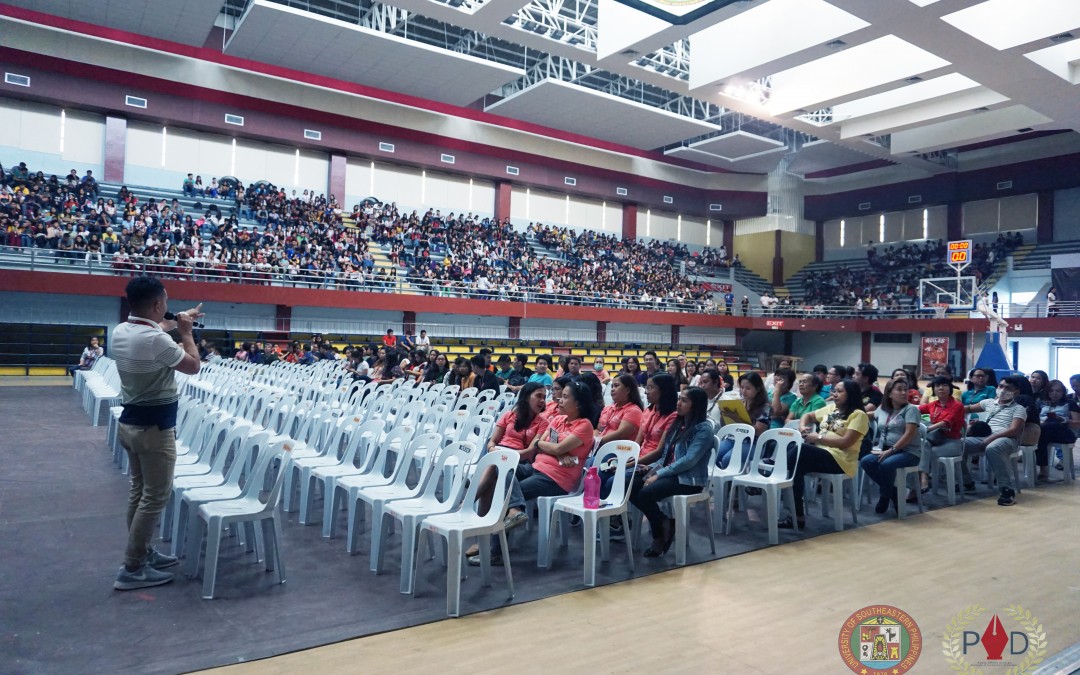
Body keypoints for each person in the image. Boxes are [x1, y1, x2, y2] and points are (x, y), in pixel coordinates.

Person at [111, 276, 202, 590]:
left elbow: (156, 331)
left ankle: (143, 552)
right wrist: (187, 333)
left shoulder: (121, 330)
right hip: (155, 429)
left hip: (131, 424)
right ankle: (132, 567)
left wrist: (178, 322)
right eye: (165, 301)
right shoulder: (155, 340)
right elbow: (192, 366)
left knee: (140, 492)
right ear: (157, 304)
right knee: (155, 497)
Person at [480, 380, 597, 565]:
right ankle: (515, 510)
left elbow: (549, 446)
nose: (559, 399)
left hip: (556, 479)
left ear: (578, 404)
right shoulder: (558, 419)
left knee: (503, 491)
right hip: (535, 468)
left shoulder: (585, 426)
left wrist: (557, 450)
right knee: (501, 465)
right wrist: (557, 451)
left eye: (565, 397)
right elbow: (537, 445)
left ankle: (495, 551)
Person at [630, 387, 714, 557]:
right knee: (630, 484)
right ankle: (664, 522)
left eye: (684, 400)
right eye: (679, 399)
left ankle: (659, 535)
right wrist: (652, 469)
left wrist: (658, 475)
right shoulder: (679, 424)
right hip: (673, 474)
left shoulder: (703, 429)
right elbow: (667, 455)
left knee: (646, 493)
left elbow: (689, 460)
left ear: (695, 405)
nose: (678, 403)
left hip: (689, 480)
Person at [789, 380, 870, 529]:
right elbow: (807, 416)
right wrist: (802, 426)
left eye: (840, 391)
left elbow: (846, 442)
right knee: (795, 469)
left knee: (800, 451)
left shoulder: (859, 415)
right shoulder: (831, 408)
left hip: (840, 460)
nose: (834, 394)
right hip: (821, 454)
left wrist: (818, 438)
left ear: (851, 394)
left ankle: (773, 468)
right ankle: (797, 516)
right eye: (834, 391)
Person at [961, 375, 1029, 506]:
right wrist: (952, 409)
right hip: (985, 436)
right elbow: (968, 408)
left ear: (1016, 392)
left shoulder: (1018, 408)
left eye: (1008, 388)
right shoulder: (989, 402)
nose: (1003, 390)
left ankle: (1007, 490)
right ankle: (966, 483)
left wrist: (991, 438)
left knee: (992, 448)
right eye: (1001, 386)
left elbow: (1014, 430)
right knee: (958, 445)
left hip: (1007, 439)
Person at [859, 379, 920, 513]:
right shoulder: (883, 408)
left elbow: (909, 435)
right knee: (866, 461)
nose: (904, 393)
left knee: (886, 464)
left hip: (908, 452)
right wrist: (855, 415)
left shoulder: (911, 410)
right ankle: (894, 493)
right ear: (890, 393)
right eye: (899, 389)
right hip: (886, 450)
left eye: (906, 389)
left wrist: (891, 451)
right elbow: (871, 415)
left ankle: (884, 496)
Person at [916, 375, 965, 493]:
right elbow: (917, 409)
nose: (941, 388)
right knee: (922, 447)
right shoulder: (933, 405)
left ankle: (922, 480)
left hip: (952, 442)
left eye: (944, 385)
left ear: (950, 388)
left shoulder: (957, 405)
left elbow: (946, 422)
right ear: (933, 389)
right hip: (935, 439)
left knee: (922, 452)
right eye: (937, 386)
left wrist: (928, 429)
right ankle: (924, 478)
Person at [1037, 380, 1079, 480]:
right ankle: (1043, 467)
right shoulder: (1041, 403)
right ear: (1047, 392)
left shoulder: (1070, 403)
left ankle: (1043, 469)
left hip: (1065, 431)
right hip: (1045, 430)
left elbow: (1077, 423)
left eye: (1058, 391)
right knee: (1044, 430)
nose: (1054, 394)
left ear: (1063, 392)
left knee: (1050, 426)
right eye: (1051, 391)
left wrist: (1063, 420)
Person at [596, 374, 644, 445]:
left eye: (616, 386)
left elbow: (620, 434)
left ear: (627, 390)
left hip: (619, 451)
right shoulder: (608, 408)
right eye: (612, 386)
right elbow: (598, 429)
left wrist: (595, 442)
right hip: (602, 446)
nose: (612, 389)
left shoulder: (633, 411)